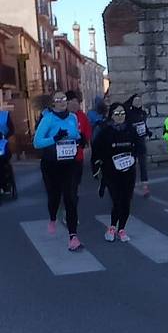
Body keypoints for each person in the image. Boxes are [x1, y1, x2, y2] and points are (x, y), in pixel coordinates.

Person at [33, 91, 82, 251]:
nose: (61, 102)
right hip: (51, 164)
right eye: (58, 100)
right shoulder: (48, 119)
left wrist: (78, 138)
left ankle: (73, 236)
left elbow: (76, 135)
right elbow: (37, 143)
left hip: (69, 163)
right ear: (53, 103)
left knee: (70, 197)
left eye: (64, 99)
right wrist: (55, 138)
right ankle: (53, 218)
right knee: (54, 196)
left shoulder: (72, 118)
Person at [92, 102, 139, 243]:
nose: (120, 117)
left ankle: (122, 229)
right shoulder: (105, 132)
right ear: (111, 116)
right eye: (117, 114)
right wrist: (96, 169)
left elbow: (138, 146)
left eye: (122, 113)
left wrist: (134, 157)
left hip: (128, 171)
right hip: (111, 173)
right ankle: (112, 227)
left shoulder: (131, 130)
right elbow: (96, 151)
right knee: (117, 201)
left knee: (126, 201)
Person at [64, 90, 92, 220]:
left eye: (77, 102)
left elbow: (87, 132)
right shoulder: (60, 116)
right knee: (67, 187)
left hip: (78, 158)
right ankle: (69, 211)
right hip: (62, 159)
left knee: (74, 186)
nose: (75, 105)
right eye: (72, 102)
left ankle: (71, 210)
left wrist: (83, 140)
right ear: (66, 103)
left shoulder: (82, 116)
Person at [125, 93, 152, 197]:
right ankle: (129, 185)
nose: (138, 102)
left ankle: (145, 186)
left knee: (143, 165)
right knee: (131, 166)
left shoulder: (143, 113)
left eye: (139, 101)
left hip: (141, 143)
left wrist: (148, 132)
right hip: (132, 144)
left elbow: (143, 125)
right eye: (135, 100)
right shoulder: (128, 113)